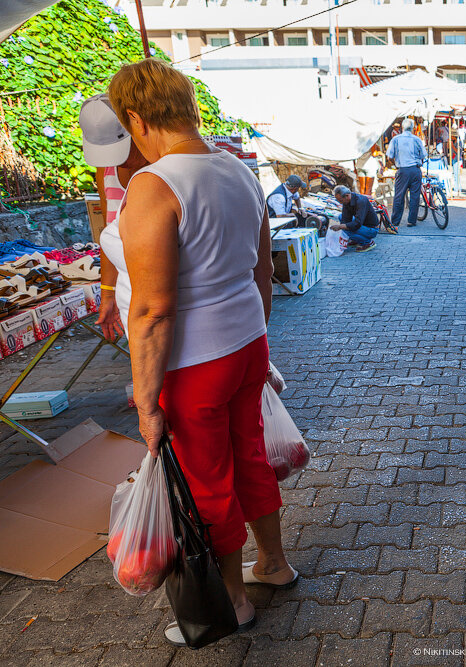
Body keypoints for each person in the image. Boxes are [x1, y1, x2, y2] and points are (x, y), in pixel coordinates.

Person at [103, 58, 294, 647]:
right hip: (246, 343)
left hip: (195, 364)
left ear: (135, 118)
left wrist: (145, 399)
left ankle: (233, 602)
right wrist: (253, 339)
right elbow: (263, 271)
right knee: (251, 457)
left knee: (208, 478)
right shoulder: (237, 171)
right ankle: (273, 564)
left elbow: (152, 309)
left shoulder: (155, 185)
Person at [79, 93, 150, 342]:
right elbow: (110, 232)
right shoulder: (105, 169)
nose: (116, 160)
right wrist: (108, 293)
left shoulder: (162, 161)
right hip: (130, 289)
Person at [386, 118, 427, 227]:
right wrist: (419, 165)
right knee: (415, 196)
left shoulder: (396, 139)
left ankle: (395, 221)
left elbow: (389, 156)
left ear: (402, 128)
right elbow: (423, 155)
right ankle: (411, 221)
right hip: (415, 169)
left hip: (402, 170)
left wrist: (396, 164)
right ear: (412, 128)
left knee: (399, 196)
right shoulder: (417, 139)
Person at [330, 185, 378, 251]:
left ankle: (368, 243)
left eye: (341, 200)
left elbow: (357, 223)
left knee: (347, 231)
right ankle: (356, 239)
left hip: (371, 229)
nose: (340, 203)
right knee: (341, 219)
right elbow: (345, 218)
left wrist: (341, 226)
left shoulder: (361, 201)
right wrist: (342, 226)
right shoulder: (346, 201)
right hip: (362, 224)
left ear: (347, 196)